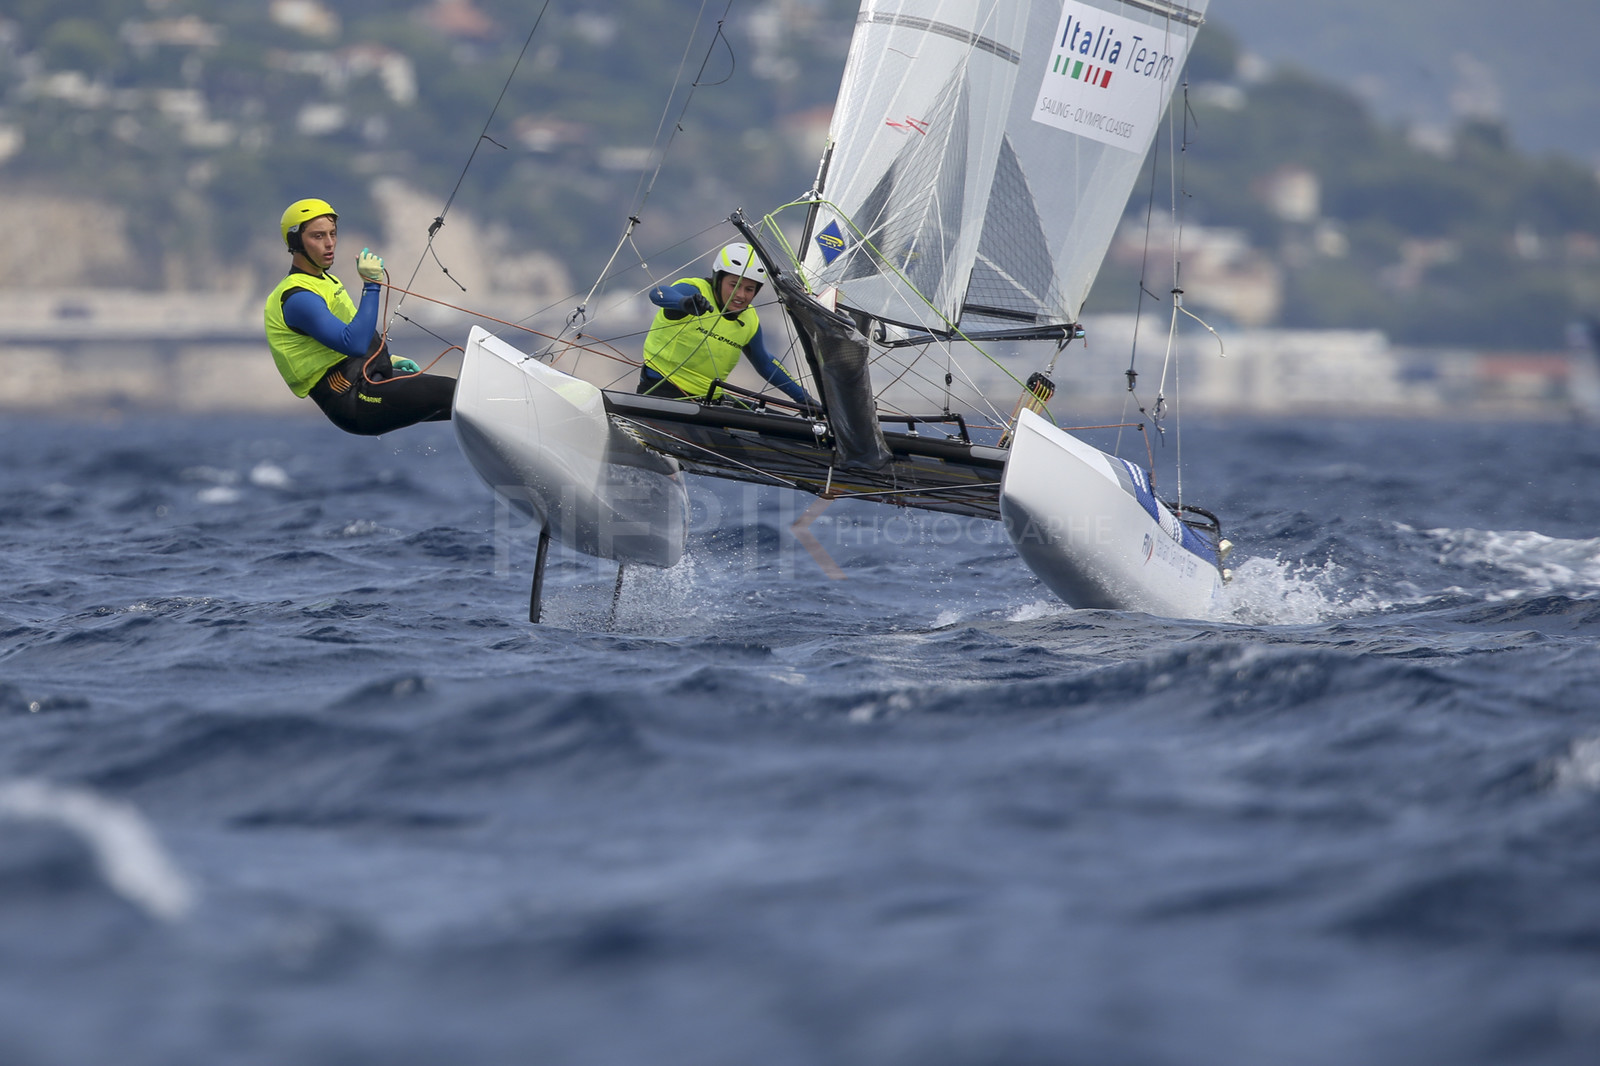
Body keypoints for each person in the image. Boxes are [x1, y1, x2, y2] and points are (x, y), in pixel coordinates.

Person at [263, 198, 455, 435]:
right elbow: (353, 343)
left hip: (367, 378)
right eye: (318, 236)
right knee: (451, 393)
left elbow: (350, 335)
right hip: (351, 398)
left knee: (461, 400)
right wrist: (371, 285)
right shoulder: (297, 297)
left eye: (332, 233)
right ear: (295, 241)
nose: (330, 243)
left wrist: (389, 360)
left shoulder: (324, 281)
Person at [638, 242, 818, 409]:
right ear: (718, 280)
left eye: (749, 289)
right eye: (734, 285)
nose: (741, 295)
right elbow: (658, 294)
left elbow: (765, 363)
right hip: (661, 391)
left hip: (710, 400)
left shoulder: (749, 319)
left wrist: (803, 398)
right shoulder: (696, 290)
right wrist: (685, 303)